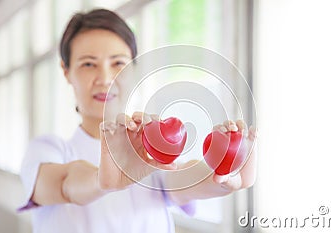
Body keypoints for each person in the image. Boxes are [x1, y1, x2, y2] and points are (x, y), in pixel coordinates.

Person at [19, 8, 257, 233]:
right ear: (66, 71)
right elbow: (65, 184)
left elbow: (185, 179)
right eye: (88, 64)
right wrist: (103, 180)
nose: (105, 78)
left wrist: (226, 172)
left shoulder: (149, 151)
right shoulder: (48, 150)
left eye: (118, 63)